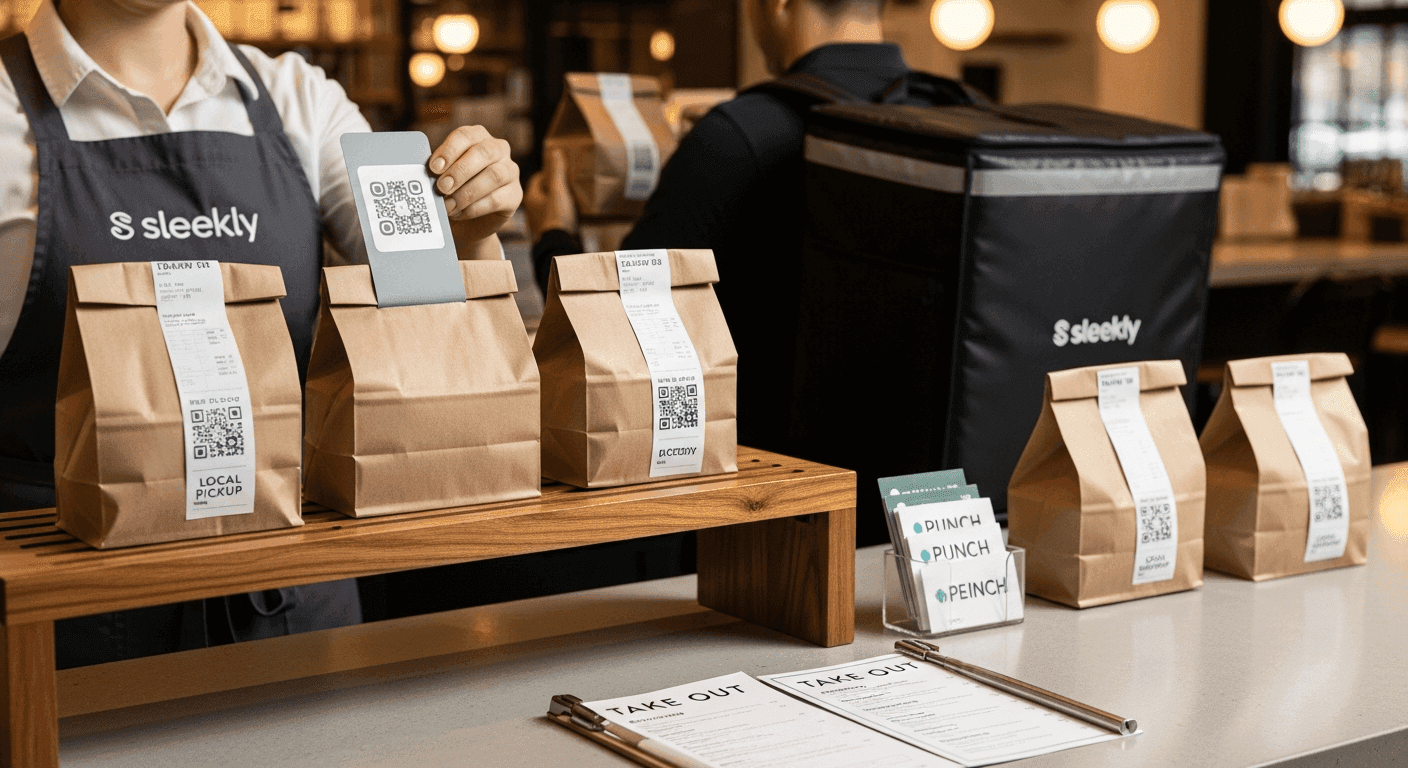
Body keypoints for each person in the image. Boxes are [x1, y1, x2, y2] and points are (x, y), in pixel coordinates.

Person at [0, 0, 522, 667]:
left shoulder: (301, 99)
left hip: (293, 613)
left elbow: (433, 315)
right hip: (62, 630)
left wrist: (471, 229)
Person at [528, 0, 962, 459]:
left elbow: (615, 334)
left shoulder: (737, 136)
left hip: (774, 492)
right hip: (944, 495)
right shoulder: (961, 115)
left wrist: (553, 232)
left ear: (776, 6)